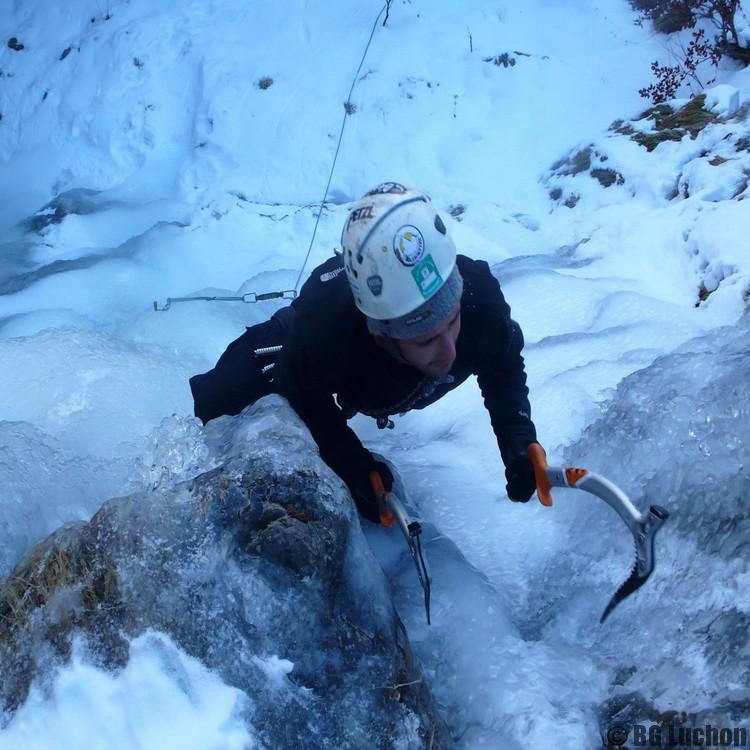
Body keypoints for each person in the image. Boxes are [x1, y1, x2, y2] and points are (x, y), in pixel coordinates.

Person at [190, 182, 548, 521]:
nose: (448, 352)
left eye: (451, 322)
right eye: (424, 339)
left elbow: (502, 363)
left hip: (369, 371)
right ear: (383, 336)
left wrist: (517, 435)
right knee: (216, 401)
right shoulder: (326, 334)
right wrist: (353, 465)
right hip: (299, 344)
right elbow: (305, 397)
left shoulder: (477, 302)